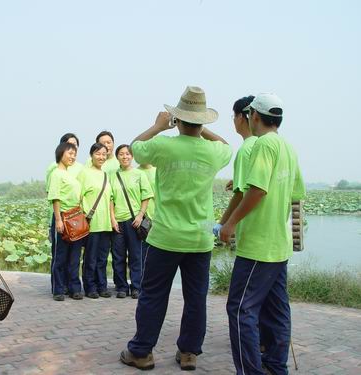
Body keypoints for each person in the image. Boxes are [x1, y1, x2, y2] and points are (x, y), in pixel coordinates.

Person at [120, 86, 232, 371]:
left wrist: (158, 126)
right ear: (203, 121)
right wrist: (202, 131)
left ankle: (142, 352)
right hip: (199, 240)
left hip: (166, 238)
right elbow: (226, 146)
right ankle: (189, 353)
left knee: (153, 295)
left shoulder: (163, 145)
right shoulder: (212, 151)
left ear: (177, 120)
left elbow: (135, 147)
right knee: (196, 298)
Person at [219, 93, 306, 375]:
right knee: (277, 310)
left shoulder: (263, 145)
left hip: (258, 245)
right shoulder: (287, 147)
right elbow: (295, 194)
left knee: (241, 309)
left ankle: (250, 370)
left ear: (253, 116)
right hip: (279, 245)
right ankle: (275, 366)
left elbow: (256, 190)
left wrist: (230, 223)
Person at [110, 144, 153, 299]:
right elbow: (110, 199)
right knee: (118, 256)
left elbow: (146, 196)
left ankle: (136, 287)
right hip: (118, 222)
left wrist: (140, 215)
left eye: (128, 154)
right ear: (117, 157)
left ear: (132, 156)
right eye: (121, 154)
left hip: (134, 221)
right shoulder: (113, 176)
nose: (125, 156)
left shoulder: (139, 174)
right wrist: (113, 219)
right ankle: (122, 287)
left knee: (136, 256)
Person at [214, 95, 256, 236]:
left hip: (252, 232)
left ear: (241, 117)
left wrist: (223, 223)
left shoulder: (246, 149)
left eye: (234, 116)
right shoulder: (265, 144)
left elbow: (240, 195)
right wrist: (239, 180)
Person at [47, 142, 85, 301]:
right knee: (60, 256)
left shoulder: (71, 174)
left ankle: (75, 288)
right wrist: (58, 220)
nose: (72, 156)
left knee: (75, 256)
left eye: (74, 153)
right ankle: (58, 289)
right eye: (69, 153)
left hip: (75, 217)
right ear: (60, 153)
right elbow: (55, 197)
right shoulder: (56, 173)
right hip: (63, 216)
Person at [78, 143, 113, 298]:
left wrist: (112, 220)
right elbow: (78, 197)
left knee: (102, 258)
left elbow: (111, 199)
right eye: (98, 153)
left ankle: (102, 286)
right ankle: (90, 287)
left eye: (104, 154)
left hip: (105, 224)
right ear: (92, 155)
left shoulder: (106, 175)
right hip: (91, 224)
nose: (101, 157)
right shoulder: (84, 173)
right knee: (90, 258)